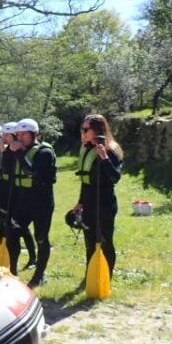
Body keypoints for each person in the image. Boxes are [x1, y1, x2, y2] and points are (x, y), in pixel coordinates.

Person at [6, 118, 57, 286]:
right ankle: (12, 270)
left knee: (41, 237)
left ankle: (39, 275)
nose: (20, 137)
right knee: (12, 232)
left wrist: (19, 152)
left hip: (41, 201)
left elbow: (30, 171)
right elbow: (6, 169)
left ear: (33, 134)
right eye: (18, 134)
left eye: (23, 134)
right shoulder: (19, 150)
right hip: (23, 200)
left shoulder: (44, 152)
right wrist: (8, 151)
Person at [72, 114, 123, 278]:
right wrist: (80, 202)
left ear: (98, 131)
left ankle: (106, 277)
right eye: (82, 129)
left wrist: (104, 158)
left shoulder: (111, 151)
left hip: (105, 204)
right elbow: (85, 181)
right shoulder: (86, 149)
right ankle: (91, 276)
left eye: (86, 129)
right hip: (89, 203)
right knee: (90, 243)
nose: (83, 133)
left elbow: (114, 177)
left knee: (105, 241)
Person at [0, 122, 37, 269]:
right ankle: (11, 262)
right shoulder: (8, 150)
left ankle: (33, 257)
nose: (4, 138)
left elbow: (15, 168)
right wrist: (1, 151)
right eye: (4, 135)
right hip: (7, 191)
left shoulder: (21, 150)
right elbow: (3, 169)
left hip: (18, 193)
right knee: (11, 226)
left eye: (7, 135)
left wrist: (9, 151)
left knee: (21, 228)